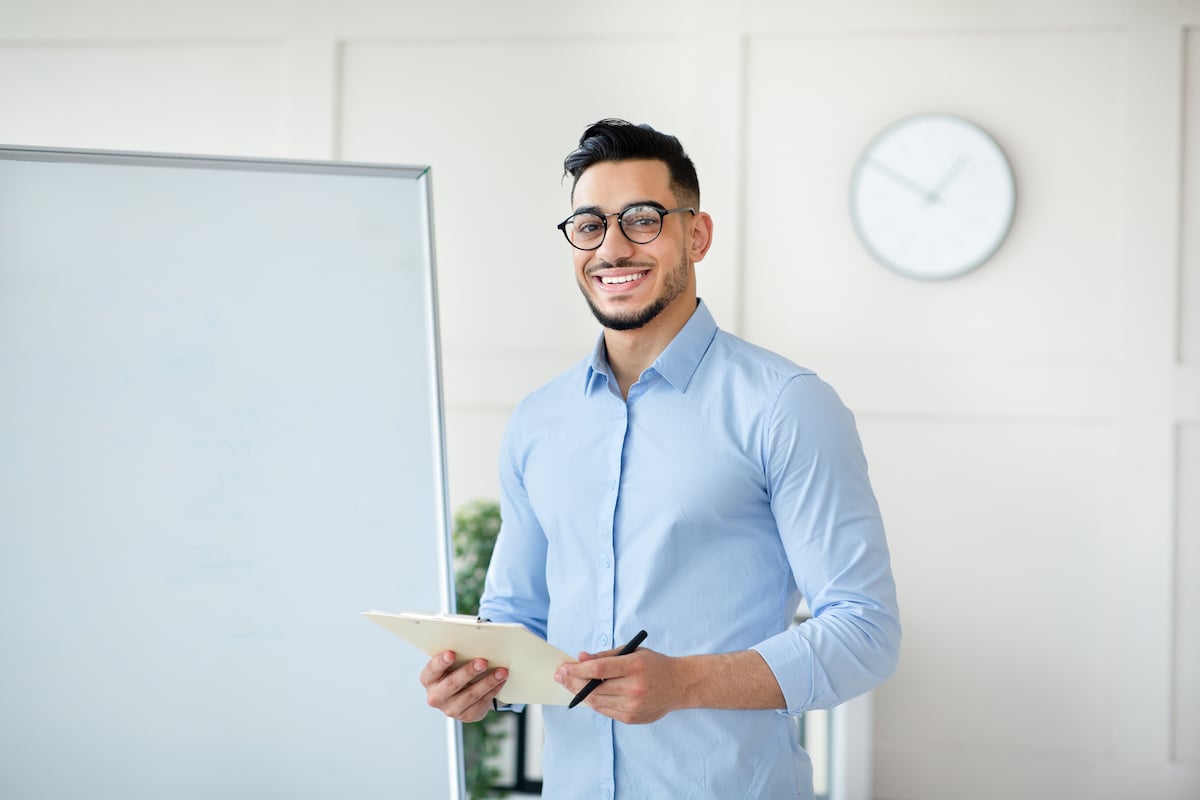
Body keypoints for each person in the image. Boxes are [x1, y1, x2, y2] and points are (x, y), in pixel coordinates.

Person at [420, 118, 901, 799]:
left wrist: (685, 682)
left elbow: (866, 630)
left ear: (695, 234)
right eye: (589, 225)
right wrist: (479, 685)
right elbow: (517, 616)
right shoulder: (538, 421)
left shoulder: (786, 406)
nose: (612, 248)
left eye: (642, 220)